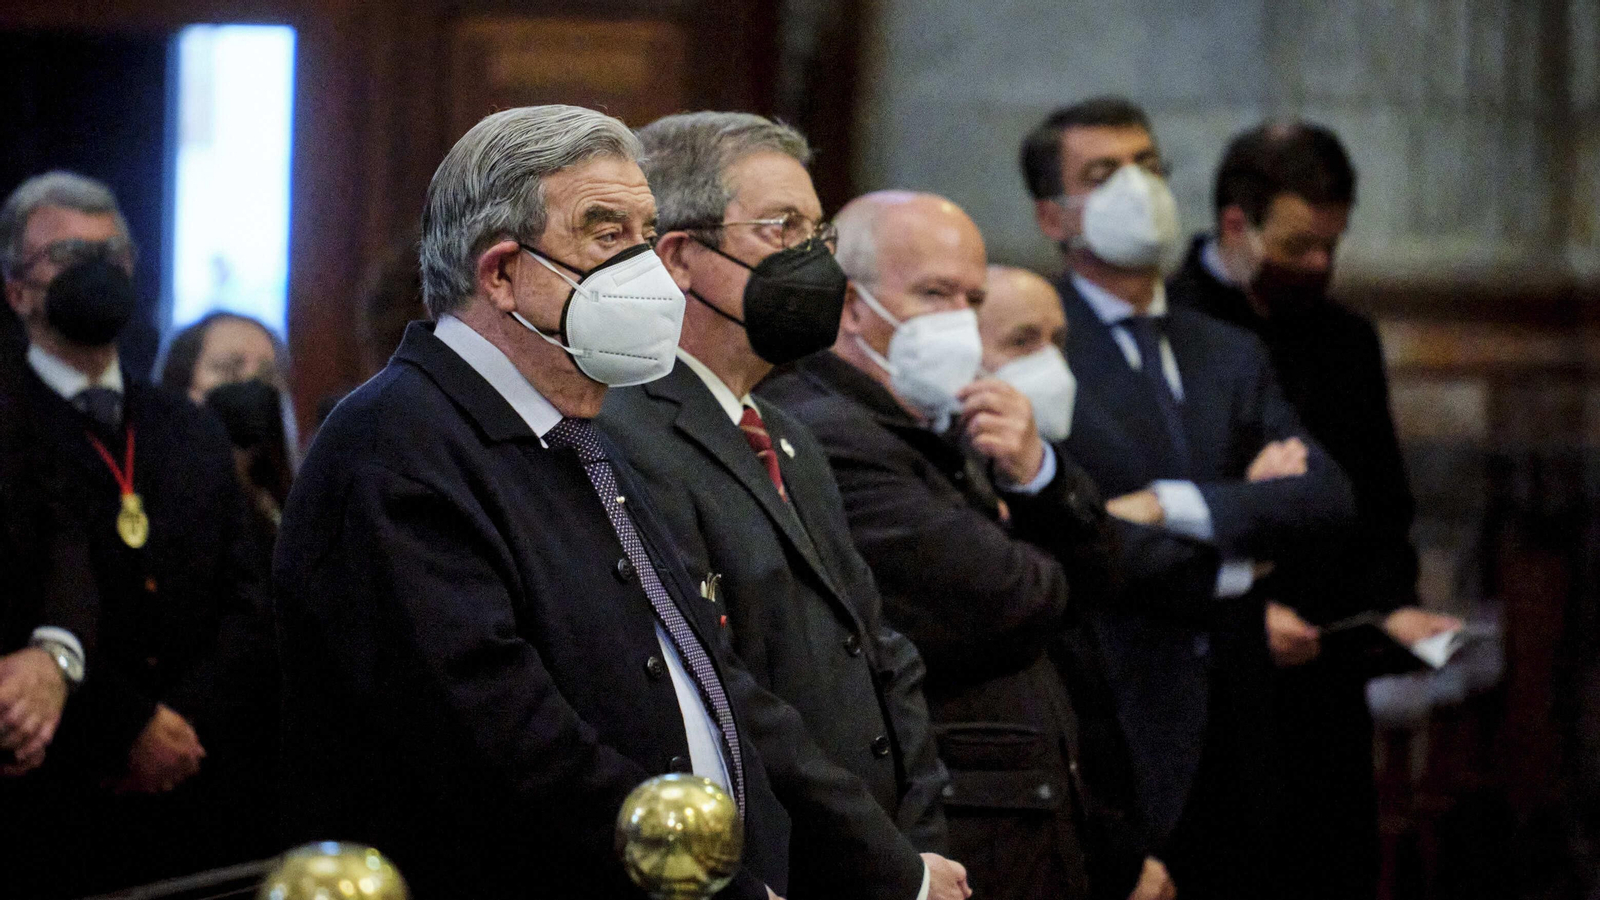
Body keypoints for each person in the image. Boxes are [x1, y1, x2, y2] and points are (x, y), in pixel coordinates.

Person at [272, 104, 968, 900]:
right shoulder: (397, 443)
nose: (649, 269)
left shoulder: (575, 436)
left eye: (647, 233)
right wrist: (718, 888)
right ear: (501, 274)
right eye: (608, 235)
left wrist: (882, 867)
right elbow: (503, 739)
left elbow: (710, 674)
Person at [761, 190, 1170, 900]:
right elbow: (1009, 599)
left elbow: (1101, 576)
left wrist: (1038, 475)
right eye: (933, 293)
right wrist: (1031, 548)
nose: (958, 319)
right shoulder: (825, 432)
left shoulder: (951, 426)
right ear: (851, 306)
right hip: (951, 832)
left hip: (1030, 821)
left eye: (972, 298)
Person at [595, 112, 952, 882]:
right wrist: (892, 864)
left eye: (818, 232)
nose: (815, 260)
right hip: (777, 864)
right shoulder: (627, 432)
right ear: (681, 257)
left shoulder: (790, 433)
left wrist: (923, 843)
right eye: (782, 226)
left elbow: (881, 650)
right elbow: (725, 684)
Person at [1018, 97, 1357, 899]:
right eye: (1103, 174)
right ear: (1053, 217)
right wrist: (1242, 543)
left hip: (1246, 725)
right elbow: (1071, 536)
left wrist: (1167, 505)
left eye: (1147, 165)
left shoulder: (1228, 350)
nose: (1138, 187)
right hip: (1111, 722)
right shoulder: (1033, 340)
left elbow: (1324, 498)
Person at [1166, 120, 1461, 900]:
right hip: (1206, 686)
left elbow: (1381, 503)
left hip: (1326, 681)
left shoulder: (1345, 340)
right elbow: (1146, 511)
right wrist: (1235, 613)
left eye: (1333, 244)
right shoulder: (1165, 326)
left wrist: (1392, 608)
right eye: (1299, 246)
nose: (1321, 265)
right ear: (1238, 224)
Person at [0, 171, 275, 896]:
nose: (94, 272)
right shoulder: (8, 421)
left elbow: (247, 602)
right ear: (17, 289)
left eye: (110, 255)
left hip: (197, 787)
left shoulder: (188, 427)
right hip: (54, 799)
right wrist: (126, 729)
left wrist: (181, 724)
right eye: (64, 256)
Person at [159, 311, 296, 544]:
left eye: (267, 374)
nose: (251, 383)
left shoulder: (284, 501)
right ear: (182, 386)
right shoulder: (161, 496)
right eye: (228, 369)